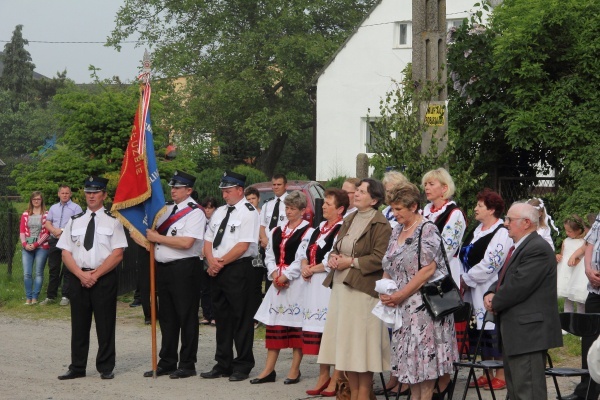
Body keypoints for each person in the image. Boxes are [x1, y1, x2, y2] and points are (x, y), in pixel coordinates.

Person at [379, 183, 458, 400]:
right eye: (392, 209)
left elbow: (427, 270)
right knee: (410, 372)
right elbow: (388, 264)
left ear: (413, 206)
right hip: (403, 310)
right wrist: (384, 289)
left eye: (399, 209)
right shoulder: (397, 230)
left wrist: (400, 294)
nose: (394, 214)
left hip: (426, 309)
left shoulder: (428, 229)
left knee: (425, 374)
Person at [318, 178, 392, 400]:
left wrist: (350, 262)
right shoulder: (349, 219)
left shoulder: (381, 224)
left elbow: (380, 259)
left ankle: (363, 393)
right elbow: (337, 247)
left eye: (362, 191)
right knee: (347, 345)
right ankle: (352, 393)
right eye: (356, 190)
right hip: (341, 287)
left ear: (375, 199)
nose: (356, 194)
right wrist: (332, 258)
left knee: (362, 347)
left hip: (363, 291)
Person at [483, 202, 562, 400]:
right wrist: (490, 292)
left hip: (529, 334)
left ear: (526, 223)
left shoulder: (537, 248)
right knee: (517, 391)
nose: (505, 223)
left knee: (528, 392)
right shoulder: (521, 246)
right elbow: (505, 277)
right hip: (518, 332)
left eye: (510, 219)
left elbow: (519, 286)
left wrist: (495, 301)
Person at [56, 176, 128, 380]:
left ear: (104, 195)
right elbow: (65, 252)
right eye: (88, 192)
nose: (91, 196)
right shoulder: (74, 220)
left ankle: (105, 367)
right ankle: (77, 367)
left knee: (105, 324)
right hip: (78, 277)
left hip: (103, 278)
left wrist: (95, 275)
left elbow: (118, 253)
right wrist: (80, 274)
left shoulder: (114, 221)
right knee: (79, 325)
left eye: (96, 192)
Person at [142, 170, 206, 379]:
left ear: (189, 190)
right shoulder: (166, 210)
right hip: (164, 268)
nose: (173, 191)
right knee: (167, 318)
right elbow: (149, 236)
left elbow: (187, 242)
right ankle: (167, 361)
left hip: (185, 268)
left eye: (178, 188)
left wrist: (157, 238)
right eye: (172, 187)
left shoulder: (195, 212)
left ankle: (187, 363)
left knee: (186, 316)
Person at [201, 171, 259, 382]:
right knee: (222, 318)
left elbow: (243, 245)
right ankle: (223, 363)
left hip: (238, 270)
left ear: (239, 190)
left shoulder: (249, 212)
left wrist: (220, 263)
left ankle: (243, 364)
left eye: (227, 191)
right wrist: (211, 261)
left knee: (241, 318)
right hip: (217, 269)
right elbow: (208, 240)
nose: (224, 195)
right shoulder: (219, 212)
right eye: (223, 192)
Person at [252, 191, 312, 385]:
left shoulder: (308, 231)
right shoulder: (276, 230)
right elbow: (269, 253)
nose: (289, 211)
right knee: (275, 324)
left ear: (303, 210)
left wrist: (286, 275)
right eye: (287, 207)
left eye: (293, 208)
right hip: (277, 281)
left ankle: (295, 369)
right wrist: (274, 274)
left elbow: (301, 257)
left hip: (297, 284)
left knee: (296, 324)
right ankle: (269, 370)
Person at [458, 188, 512, 390]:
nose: (475, 209)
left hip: (488, 285)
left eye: (480, 206)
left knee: (491, 328)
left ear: (491, 210)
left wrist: (467, 278)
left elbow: (492, 262)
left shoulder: (501, 232)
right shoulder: (477, 229)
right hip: (472, 288)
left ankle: (501, 373)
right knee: (477, 329)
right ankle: (485, 372)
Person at [421, 167, 466, 395]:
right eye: (426, 184)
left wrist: (420, 265)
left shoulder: (454, 214)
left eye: (431, 184)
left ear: (444, 188)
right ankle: (427, 379)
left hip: (440, 278)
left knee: (441, 331)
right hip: (420, 277)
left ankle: (444, 381)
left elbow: (446, 248)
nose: (426, 187)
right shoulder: (424, 211)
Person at [299, 188, 348, 396]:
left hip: (329, 284)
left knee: (331, 330)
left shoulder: (342, 228)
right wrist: (303, 264)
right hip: (313, 285)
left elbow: (333, 257)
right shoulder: (318, 228)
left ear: (340, 209)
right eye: (324, 203)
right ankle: (323, 374)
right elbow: (303, 249)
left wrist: (313, 268)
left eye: (329, 204)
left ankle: (337, 376)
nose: (324, 207)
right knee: (319, 332)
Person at [566, 212, 600, 400]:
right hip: (595, 290)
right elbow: (590, 243)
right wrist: (587, 268)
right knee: (589, 341)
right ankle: (586, 391)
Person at [40, 185, 83, 306]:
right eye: (62, 193)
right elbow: (48, 223)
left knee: (68, 269)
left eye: (67, 193)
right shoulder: (53, 208)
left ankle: (66, 296)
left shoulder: (76, 208)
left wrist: (62, 230)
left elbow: (78, 224)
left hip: (69, 241)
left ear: (70, 194)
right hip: (54, 240)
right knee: (53, 268)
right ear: (58, 194)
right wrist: (54, 231)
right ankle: (51, 296)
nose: (64, 195)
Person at [259, 174, 289, 294]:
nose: (276, 187)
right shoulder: (267, 205)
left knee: (280, 275)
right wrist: (264, 239)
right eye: (274, 185)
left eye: (279, 184)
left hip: (282, 245)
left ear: (285, 186)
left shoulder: (290, 204)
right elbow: (262, 226)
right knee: (268, 277)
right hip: (267, 246)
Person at [20, 191, 50, 305]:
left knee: (38, 273)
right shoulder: (25, 214)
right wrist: (25, 244)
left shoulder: (47, 214)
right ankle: (28, 297)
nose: (36, 201)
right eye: (34, 199)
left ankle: (35, 297)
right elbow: (22, 231)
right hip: (27, 247)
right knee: (27, 273)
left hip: (42, 247)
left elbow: (47, 232)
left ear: (41, 200)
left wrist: (36, 244)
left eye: (38, 199)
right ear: (31, 201)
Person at [556, 215, 588, 315]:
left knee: (579, 300)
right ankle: (567, 321)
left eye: (569, 231)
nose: (567, 233)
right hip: (566, 273)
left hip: (577, 273)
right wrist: (558, 256)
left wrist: (577, 260)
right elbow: (563, 254)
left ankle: (580, 321)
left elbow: (585, 258)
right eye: (566, 231)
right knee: (567, 299)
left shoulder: (584, 242)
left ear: (579, 230)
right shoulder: (565, 241)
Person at [199, 196, 219, 326]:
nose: (207, 210)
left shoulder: (217, 221)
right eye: (205, 207)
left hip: (212, 256)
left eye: (210, 208)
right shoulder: (200, 220)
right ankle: (207, 314)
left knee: (214, 287)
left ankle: (215, 315)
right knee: (204, 288)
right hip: (200, 256)